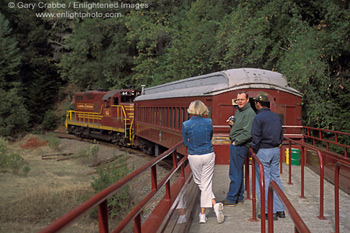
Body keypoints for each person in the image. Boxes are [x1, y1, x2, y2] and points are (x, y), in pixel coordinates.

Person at [182, 100, 224, 224]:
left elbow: (185, 142)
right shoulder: (209, 122)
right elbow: (210, 137)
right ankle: (212, 207)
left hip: (194, 155)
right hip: (208, 154)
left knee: (200, 182)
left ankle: (203, 214)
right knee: (206, 183)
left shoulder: (186, 124)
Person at [251, 91, 285, 220]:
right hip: (276, 150)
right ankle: (280, 209)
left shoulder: (258, 117)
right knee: (275, 178)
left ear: (258, 104)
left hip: (263, 150)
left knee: (263, 181)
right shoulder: (276, 117)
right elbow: (281, 135)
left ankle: (267, 211)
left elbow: (255, 136)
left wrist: (254, 148)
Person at [222, 92, 256, 206]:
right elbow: (241, 127)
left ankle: (231, 198)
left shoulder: (249, 113)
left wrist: (236, 142)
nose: (239, 102)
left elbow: (248, 132)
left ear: (247, 100)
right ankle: (239, 197)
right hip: (239, 144)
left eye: (242, 99)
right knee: (238, 171)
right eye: (238, 100)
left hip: (240, 145)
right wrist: (233, 124)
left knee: (234, 172)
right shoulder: (240, 111)